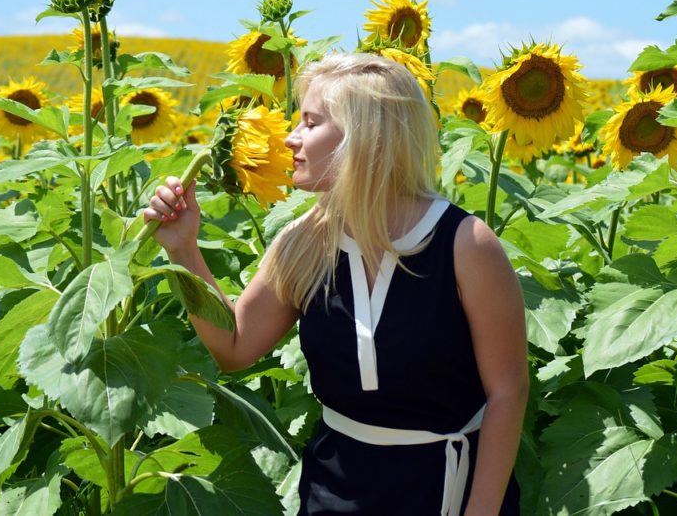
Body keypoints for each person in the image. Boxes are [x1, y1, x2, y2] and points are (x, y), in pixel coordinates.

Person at [143, 52, 527, 515]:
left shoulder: (465, 245)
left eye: (310, 122)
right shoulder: (303, 240)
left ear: (367, 138)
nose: (290, 138)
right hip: (333, 491)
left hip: (445, 489)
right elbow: (233, 346)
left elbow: (507, 391)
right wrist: (184, 252)